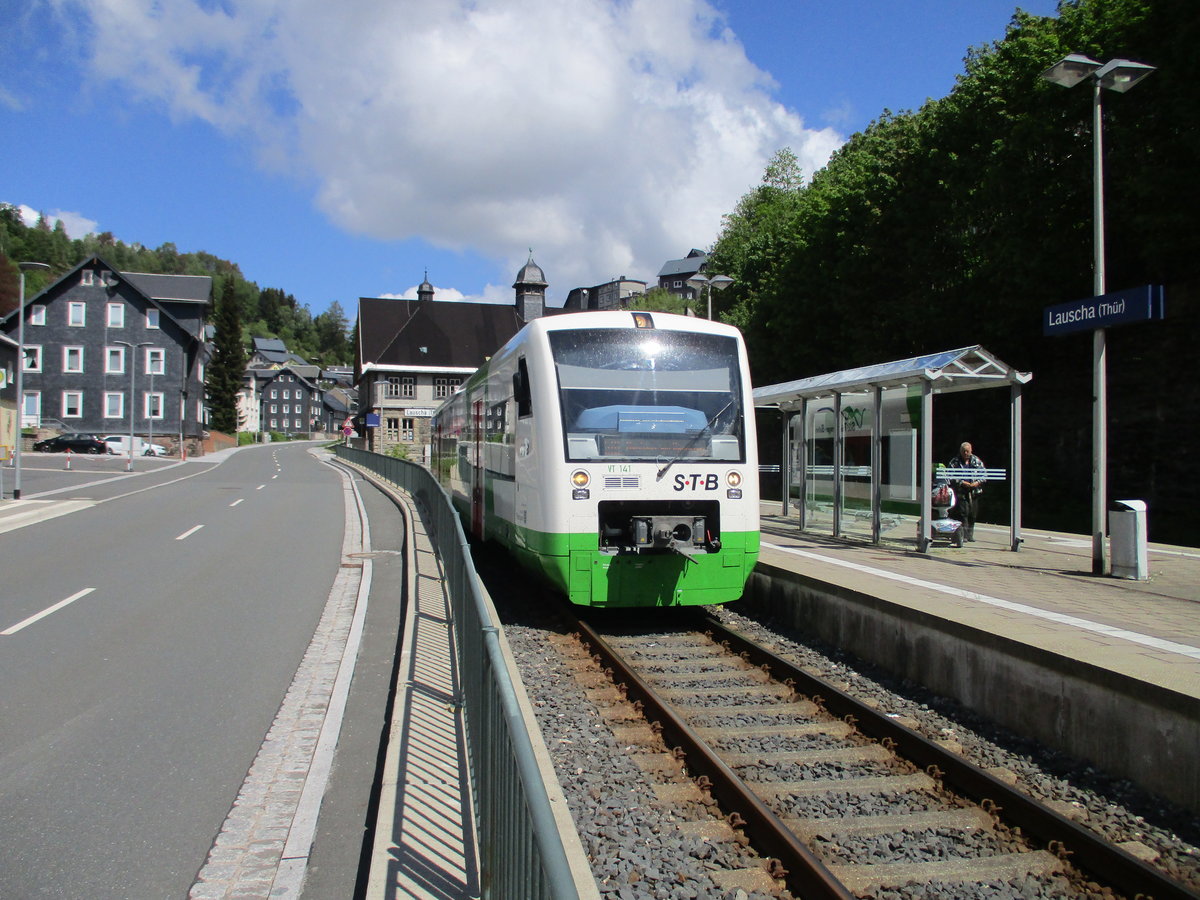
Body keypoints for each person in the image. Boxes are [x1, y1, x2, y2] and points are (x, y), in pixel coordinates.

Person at [948, 441, 985, 541]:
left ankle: (970, 535)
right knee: (963, 513)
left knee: (973, 514)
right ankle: (964, 535)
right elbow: (950, 476)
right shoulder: (954, 462)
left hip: (975, 491)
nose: (966, 453)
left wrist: (977, 483)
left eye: (967, 451)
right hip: (961, 491)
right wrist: (962, 482)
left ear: (971, 451)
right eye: (964, 451)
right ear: (960, 451)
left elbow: (984, 474)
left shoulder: (976, 460)